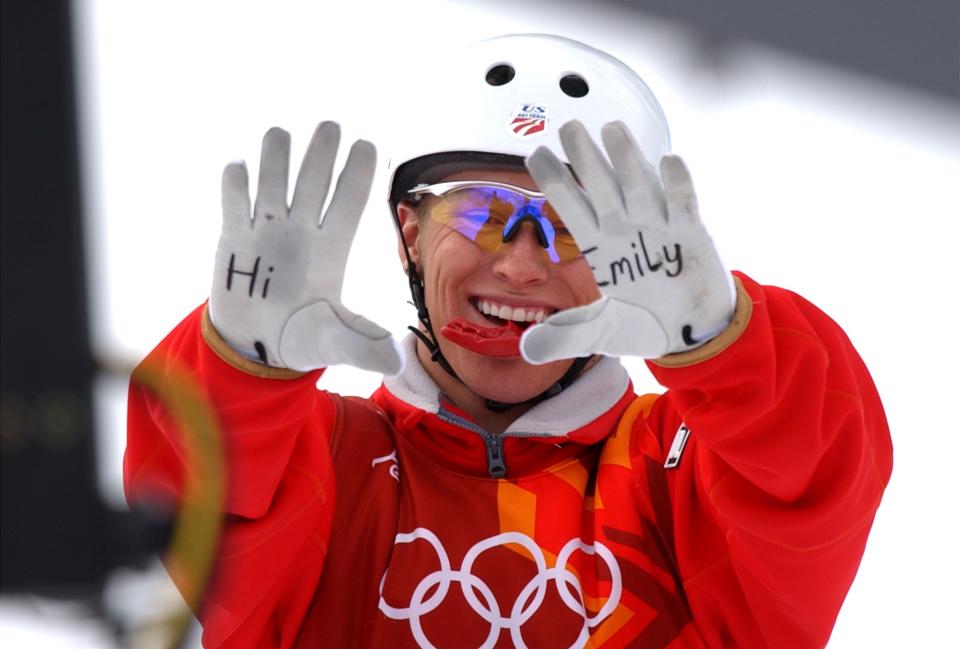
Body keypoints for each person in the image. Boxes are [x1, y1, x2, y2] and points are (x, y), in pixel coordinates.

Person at [124, 34, 892, 648]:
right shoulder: (318, 462)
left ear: (637, 257)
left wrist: (721, 341)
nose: (523, 265)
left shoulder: (678, 466)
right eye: (484, 215)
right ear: (409, 234)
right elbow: (195, 516)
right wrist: (238, 373)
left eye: (571, 228)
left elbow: (818, 465)